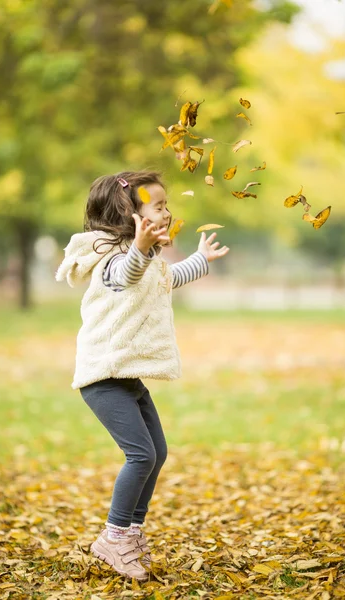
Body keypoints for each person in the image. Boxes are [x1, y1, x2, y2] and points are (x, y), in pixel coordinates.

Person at [55, 170, 229, 581]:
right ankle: (113, 536)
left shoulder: (147, 259)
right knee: (141, 455)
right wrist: (141, 248)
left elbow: (165, 281)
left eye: (168, 204)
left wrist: (200, 260)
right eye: (159, 206)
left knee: (158, 453)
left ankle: (131, 533)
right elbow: (127, 275)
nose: (167, 212)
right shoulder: (112, 260)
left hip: (127, 376)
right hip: (103, 377)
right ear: (130, 213)